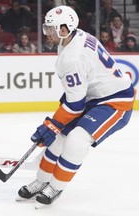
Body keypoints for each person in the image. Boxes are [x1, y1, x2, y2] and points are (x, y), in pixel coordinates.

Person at [17, 5, 135, 207]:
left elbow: (75, 105)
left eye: (50, 29)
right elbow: (78, 93)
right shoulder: (75, 36)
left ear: (64, 29)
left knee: (75, 140)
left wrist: (51, 124)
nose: (47, 33)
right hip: (94, 96)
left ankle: (56, 186)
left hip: (116, 102)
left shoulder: (72, 58)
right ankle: (42, 180)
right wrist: (54, 127)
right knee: (58, 138)